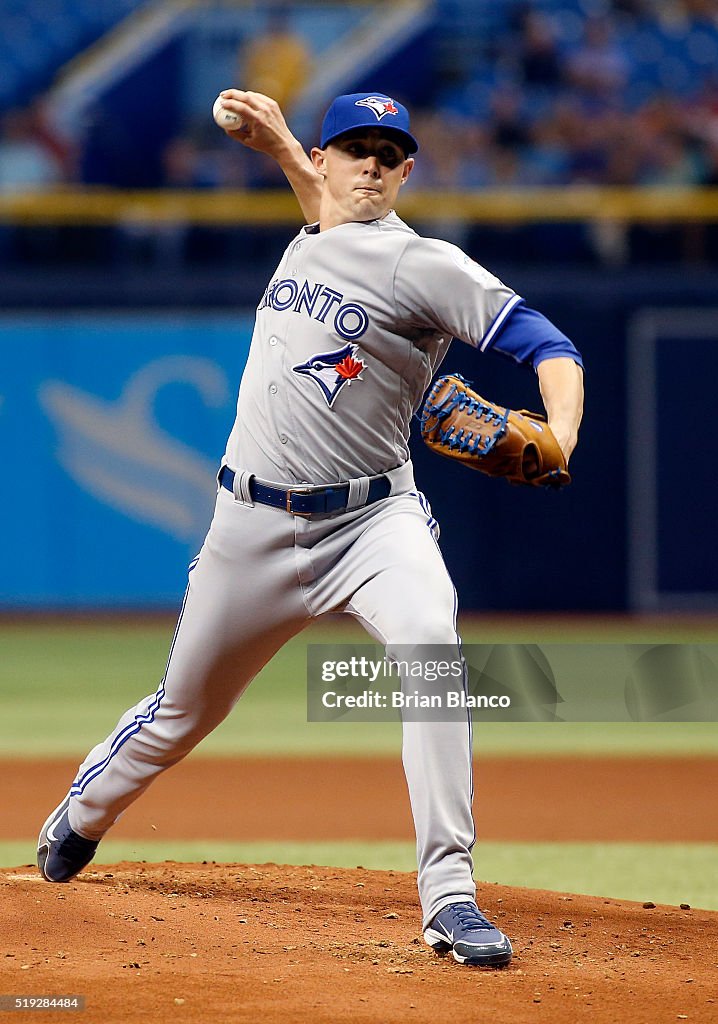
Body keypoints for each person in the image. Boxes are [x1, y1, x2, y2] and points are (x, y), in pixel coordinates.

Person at [37, 90, 584, 968]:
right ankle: (84, 813)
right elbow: (323, 203)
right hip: (248, 527)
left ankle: (449, 894)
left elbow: (550, 345)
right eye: (353, 148)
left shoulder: (426, 266)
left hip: (373, 522)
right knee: (183, 713)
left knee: (432, 654)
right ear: (327, 165)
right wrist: (286, 143)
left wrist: (559, 433)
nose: (370, 162)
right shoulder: (320, 227)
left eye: (388, 151)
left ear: (407, 171)